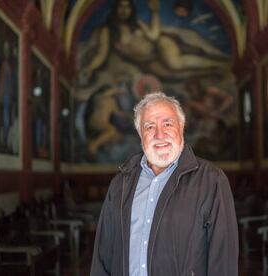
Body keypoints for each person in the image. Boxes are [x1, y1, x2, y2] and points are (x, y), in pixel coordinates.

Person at [91, 92, 238, 275]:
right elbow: (102, 259)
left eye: (167, 124)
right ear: (140, 134)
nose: (159, 135)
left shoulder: (212, 180)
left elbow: (223, 263)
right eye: (150, 126)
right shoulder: (121, 183)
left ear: (182, 126)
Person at [79, 0, 228, 84]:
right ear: (115, 10)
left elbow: (154, 35)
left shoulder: (136, 24)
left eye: (127, 7)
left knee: (175, 64)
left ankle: (220, 64)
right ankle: (212, 72)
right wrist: (90, 68)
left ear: (131, 10)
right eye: (121, 7)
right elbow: (101, 54)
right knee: (172, 76)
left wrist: (154, 12)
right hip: (147, 62)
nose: (124, 11)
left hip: (160, 46)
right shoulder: (108, 31)